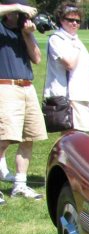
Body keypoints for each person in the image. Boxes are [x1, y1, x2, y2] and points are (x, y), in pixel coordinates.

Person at [0, 0, 47, 202]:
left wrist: (28, 34)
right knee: (4, 138)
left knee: (29, 137)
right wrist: (18, 8)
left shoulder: (23, 31)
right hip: (5, 86)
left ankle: (20, 184)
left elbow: (37, 58)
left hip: (27, 87)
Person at [44, 2, 89, 134]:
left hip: (83, 96)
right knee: (72, 139)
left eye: (78, 21)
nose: (74, 23)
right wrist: (75, 45)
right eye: (70, 20)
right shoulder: (57, 39)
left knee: (84, 138)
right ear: (61, 20)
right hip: (70, 97)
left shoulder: (74, 39)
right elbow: (70, 63)